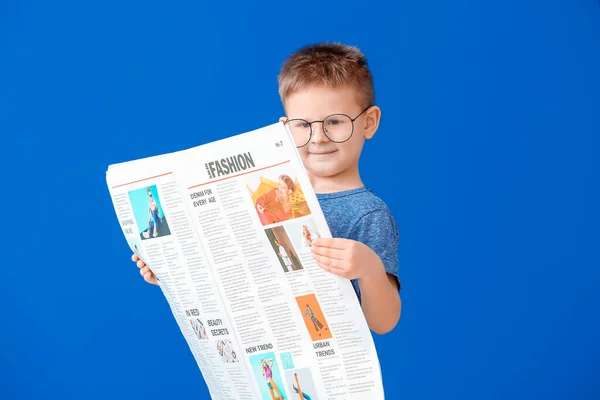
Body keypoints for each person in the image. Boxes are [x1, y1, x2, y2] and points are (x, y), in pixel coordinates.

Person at [134, 42, 402, 334]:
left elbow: (383, 323)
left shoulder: (368, 214)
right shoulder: (268, 196)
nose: (318, 138)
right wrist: (172, 273)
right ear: (284, 128)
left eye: (335, 122)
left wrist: (370, 269)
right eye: (302, 125)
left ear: (369, 122)